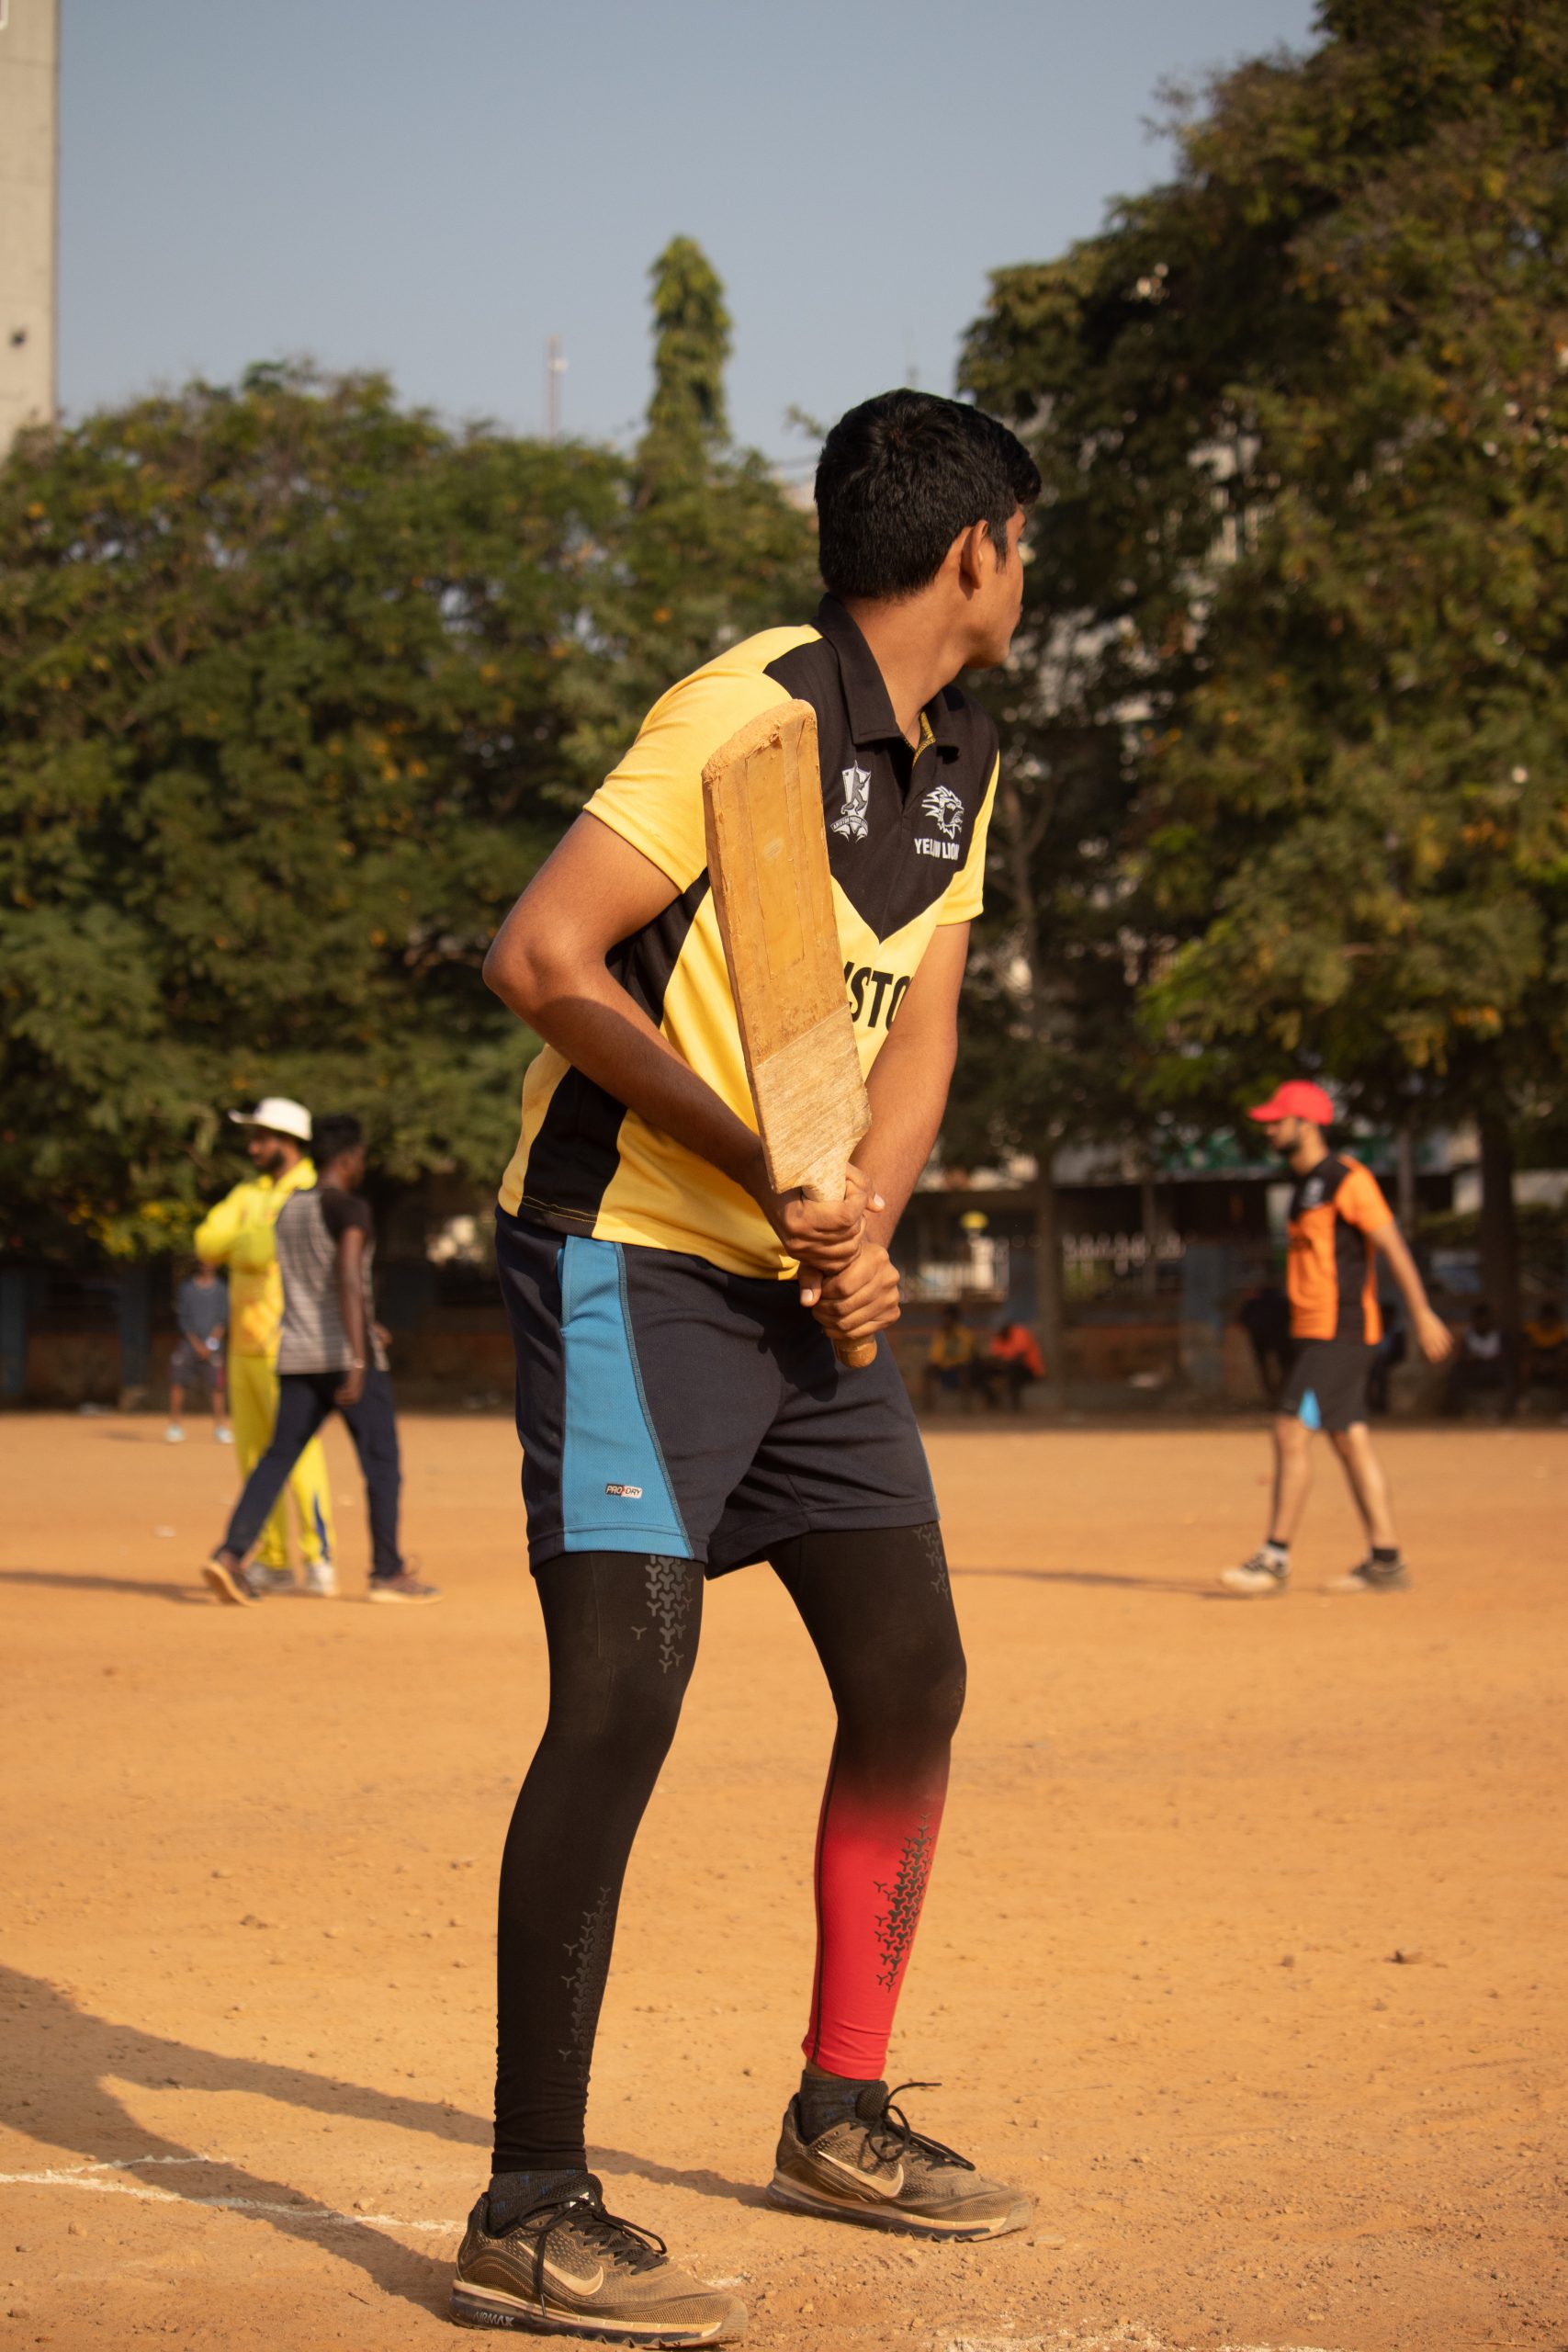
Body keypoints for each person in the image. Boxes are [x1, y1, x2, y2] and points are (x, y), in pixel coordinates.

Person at [452, 390, 1038, 2343]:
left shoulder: (960, 761)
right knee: (623, 1684)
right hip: (631, 1260)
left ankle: (841, 2106)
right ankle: (533, 2191)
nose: (1024, 578)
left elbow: (924, 1022)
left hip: (808, 1291)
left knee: (910, 1673)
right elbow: (543, 957)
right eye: (1024, 548)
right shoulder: (745, 716)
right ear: (976, 552)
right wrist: (773, 1171)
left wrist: (862, 1207)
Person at [1222, 1080, 1452, 1597]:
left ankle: (1274, 1557)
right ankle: (1386, 1560)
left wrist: (1421, 1312)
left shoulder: (1347, 1179)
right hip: (1315, 1331)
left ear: (1307, 1124)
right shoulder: (1303, 1187)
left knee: (1289, 1430)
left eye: (1278, 1120)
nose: (1270, 1128)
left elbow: (1391, 1244)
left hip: (1340, 1330)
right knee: (1350, 1441)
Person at [202, 1114, 438, 1608]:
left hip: (297, 1354)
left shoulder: (288, 1209)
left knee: (276, 1458)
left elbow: (312, 1284)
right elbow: (348, 1280)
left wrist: (364, 1326)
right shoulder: (349, 1208)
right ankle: (387, 1573)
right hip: (345, 1358)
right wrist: (358, 1353)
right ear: (349, 1159)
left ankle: (229, 1555)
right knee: (382, 1465)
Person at [195, 1098, 337, 1597]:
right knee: (254, 1457)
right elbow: (207, 1243)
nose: (253, 1147)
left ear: (288, 1141)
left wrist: (245, 1242)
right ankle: (274, 1559)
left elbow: (253, 1248)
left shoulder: (311, 1191)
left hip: (289, 1345)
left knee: (298, 1455)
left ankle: (319, 1558)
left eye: (261, 1138)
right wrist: (248, 1242)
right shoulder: (247, 1192)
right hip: (244, 1347)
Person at [164, 1261, 231, 1444]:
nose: (208, 1265)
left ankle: (220, 1428)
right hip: (189, 1344)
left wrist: (210, 1344)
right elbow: (183, 1319)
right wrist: (196, 1344)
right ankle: (174, 1426)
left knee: (218, 1387)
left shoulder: (221, 1289)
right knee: (177, 1383)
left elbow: (223, 1319)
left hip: (213, 1345)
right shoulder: (187, 1288)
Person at [1442, 1299, 1516, 1419]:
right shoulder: (1469, 1336)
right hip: (1475, 1369)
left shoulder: (1500, 1335)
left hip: (1494, 1369)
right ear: (1474, 1320)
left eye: (1485, 1319)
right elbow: (1463, 1357)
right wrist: (1470, 1358)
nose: (1482, 1322)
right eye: (1479, 1319)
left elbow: (1506, 1356)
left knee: (1509, 1370)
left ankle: (1508, 1409)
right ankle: (1457, 1410)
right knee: (1456, 1371)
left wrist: (1491, 1358)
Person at [1236, 1280, 1292, 1408]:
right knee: (1284, 1368)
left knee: (1269, 1368)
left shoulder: (1255, 1302)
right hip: (1278, 1338)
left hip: (1267, 1338)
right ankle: (1278, 1396)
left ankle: (1275, 1396)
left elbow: (1242, 1319)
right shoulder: (1280, 1301)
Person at [978, 1315, 1044, 1410]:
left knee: (1014, 1369)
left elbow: (1019, 1358)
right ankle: (992, 1401)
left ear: (1007, 1327)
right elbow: (995, 1357)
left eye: (1001, 1329)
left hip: (1029, 1370)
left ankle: (1016, 1406)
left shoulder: (1020, 1332)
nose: (999, 1332)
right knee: (981, 1369)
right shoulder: (998, 1337)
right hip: (1006, 1367)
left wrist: (1002, 1363)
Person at [923, 1300, 976, 1410]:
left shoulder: (964, 1334)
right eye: (944, 1318)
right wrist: (943, 1363)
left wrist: (950, 1362)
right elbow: (935, 1354)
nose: (945, 1321)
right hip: (943, 1366)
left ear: (954, 1319)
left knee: (965, 1372)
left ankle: (966, 1406)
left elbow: (965, 1354)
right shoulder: (940, 1334)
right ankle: (928, 1406)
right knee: (927, 1371)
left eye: (948, 1318)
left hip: (958, 1366)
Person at [1519, 1297, 1568, 1415]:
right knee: (1526, 1367)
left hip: (1555, 1364)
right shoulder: (1531, 1329)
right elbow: (1526, 1351)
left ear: (1555, 1319)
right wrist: (1539, 1361)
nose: (1548, 1321)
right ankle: (1523, 1401)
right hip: (1537, 1363)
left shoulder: (1561, 1331)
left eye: (1551, 1318)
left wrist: (1553, 1363)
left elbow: (1563, 1353)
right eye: (1545, 1318)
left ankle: (1564, 1408)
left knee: (1565, 1369)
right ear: (1541, 1318)